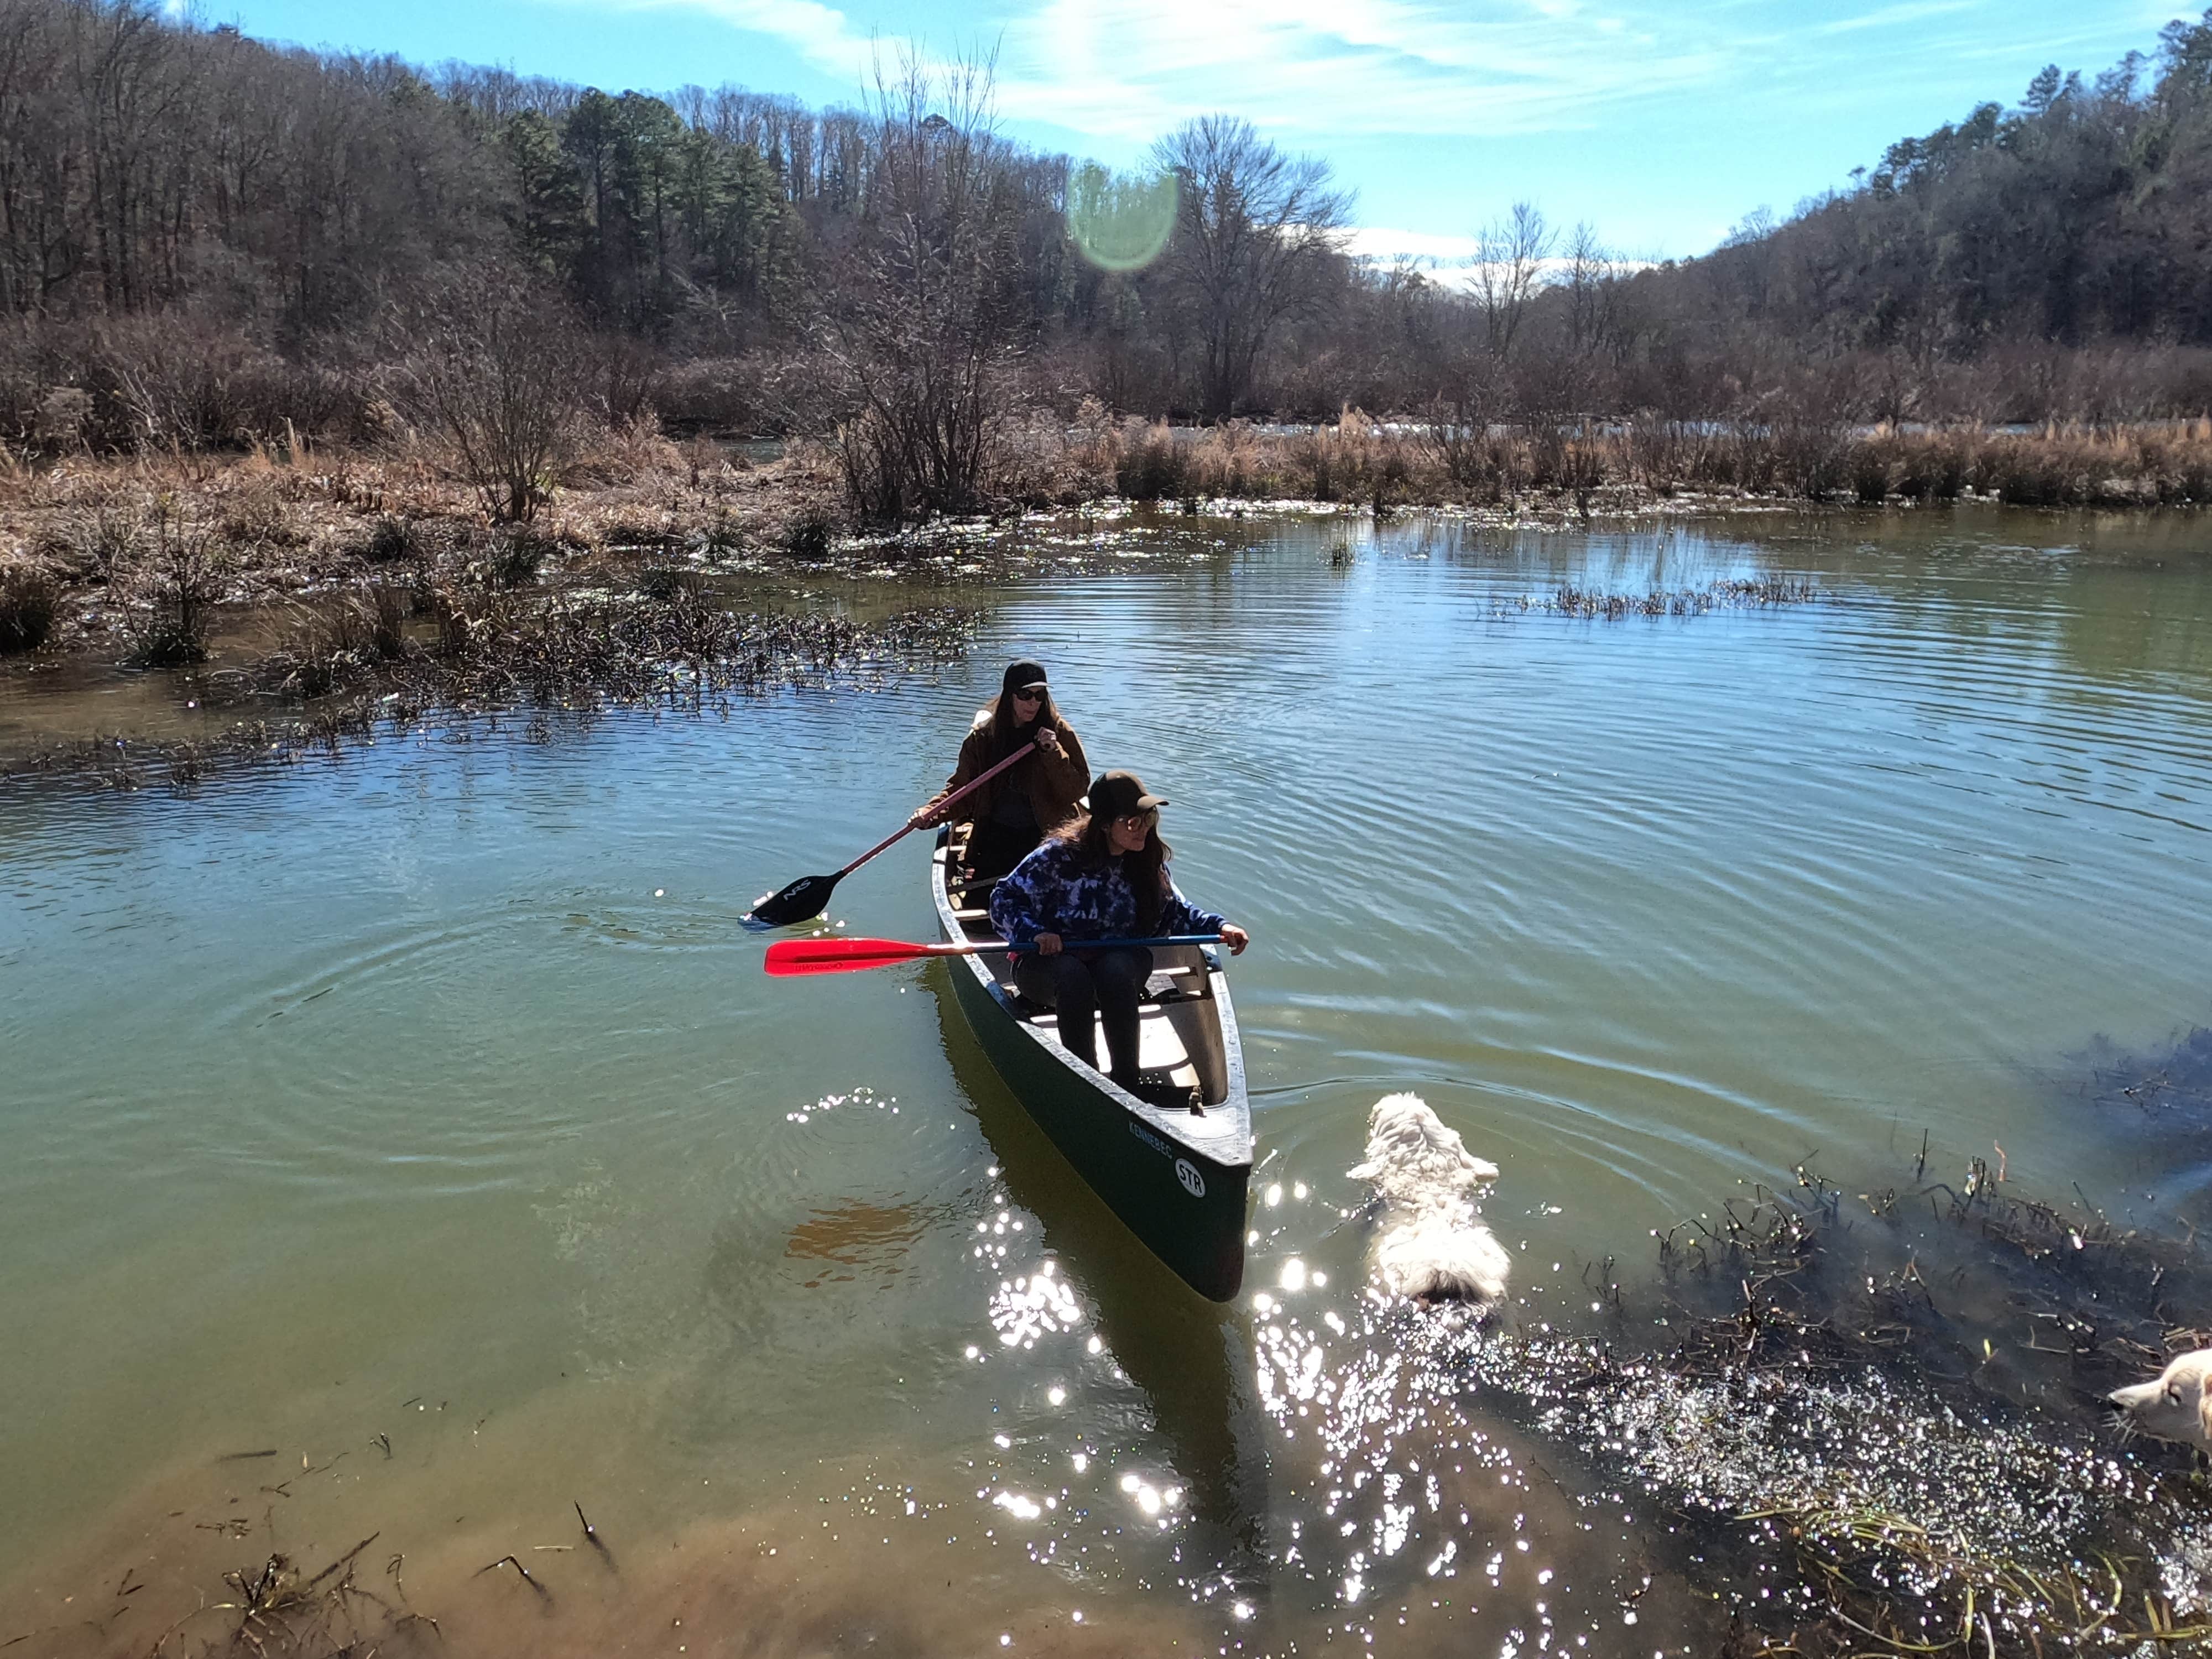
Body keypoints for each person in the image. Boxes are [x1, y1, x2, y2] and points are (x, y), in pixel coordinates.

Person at [990, 770, 1250, 1095]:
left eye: (1149, 819)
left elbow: (1177, 912)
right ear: (1104, 825)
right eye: (1133, 822)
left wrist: (1220, 927)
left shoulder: (1146, 861)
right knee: (1073, 977)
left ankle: (1127, 1084)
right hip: (1047, 964)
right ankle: (1086, 1082)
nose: (1144, 829)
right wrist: (1035, 933)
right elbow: (1003, 899)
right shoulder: (1056, 857)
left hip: (1117, 961)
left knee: (1116, 970)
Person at [912, 660, 1089, 884]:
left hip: (1046, 837)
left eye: (1040, 695)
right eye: (1025, 695)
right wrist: (931, 813)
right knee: (989, 890)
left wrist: (1052, 753)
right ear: (1010, 696)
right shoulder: (983, 739)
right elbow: (962, 791)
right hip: (996, 835)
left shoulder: (1059, 733)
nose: (1033, 702)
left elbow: (1076, 790)